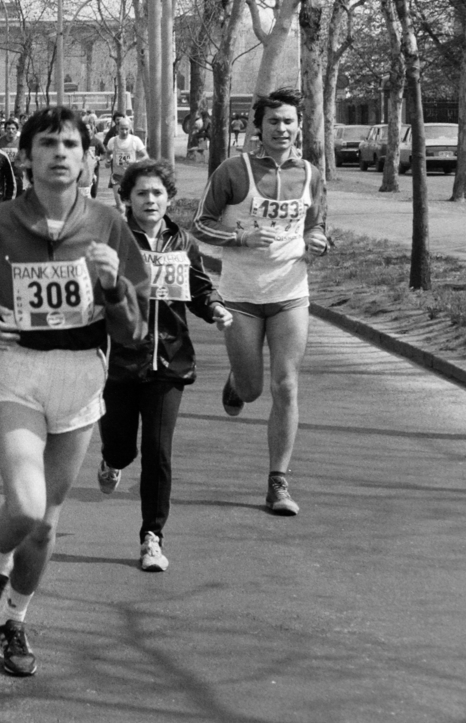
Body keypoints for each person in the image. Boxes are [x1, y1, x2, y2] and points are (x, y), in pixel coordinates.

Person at [0, 105, 148, 677]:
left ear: (89, 158)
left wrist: (112, 286)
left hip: (82, 373)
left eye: (70, 144)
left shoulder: (108, 224)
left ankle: (14, 617)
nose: (60, 153)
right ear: (27, 157)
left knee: (48, 522)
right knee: (26, 505)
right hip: (20, 372)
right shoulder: (0, 222)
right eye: (47, 144)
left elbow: (134, 327)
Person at [192, 87, 328, 516]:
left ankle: (278, 483)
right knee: (252, 390)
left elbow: (317, 226)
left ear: (299, 126)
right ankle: (236, 382)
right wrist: (241, 237)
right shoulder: (233, 171)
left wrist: (319, 240)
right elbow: (200, 225)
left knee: (285, 385)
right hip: (242, 295)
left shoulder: (311, 173)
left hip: (290, 291)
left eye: (289, 121)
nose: (282, 129)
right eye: (273, 122)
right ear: (258, 127)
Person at [98, 159, 232, 571]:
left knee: (158, 451)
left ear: (169, 197)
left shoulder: (183, 242)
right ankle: (111, 460)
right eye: (141, 193)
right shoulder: (114, 240)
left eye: (157, 193)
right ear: (127, 199)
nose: (150, 200)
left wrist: (215, 309)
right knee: (123, 447)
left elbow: (199, 287)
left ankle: (151, 537)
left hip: (170, 361)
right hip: (121, 361)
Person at [102, 116, 149, 207]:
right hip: (117, 177)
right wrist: (108, 160)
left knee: (131, 205)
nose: (124, 132)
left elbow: (145, 156)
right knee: (120, 206)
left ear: (130, 128)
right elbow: (108, 153)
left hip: (131, 177)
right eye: (122, 129)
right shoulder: (113, 141)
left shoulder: (135, 140)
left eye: (126, 129)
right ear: (117, 128)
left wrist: (136, 162)